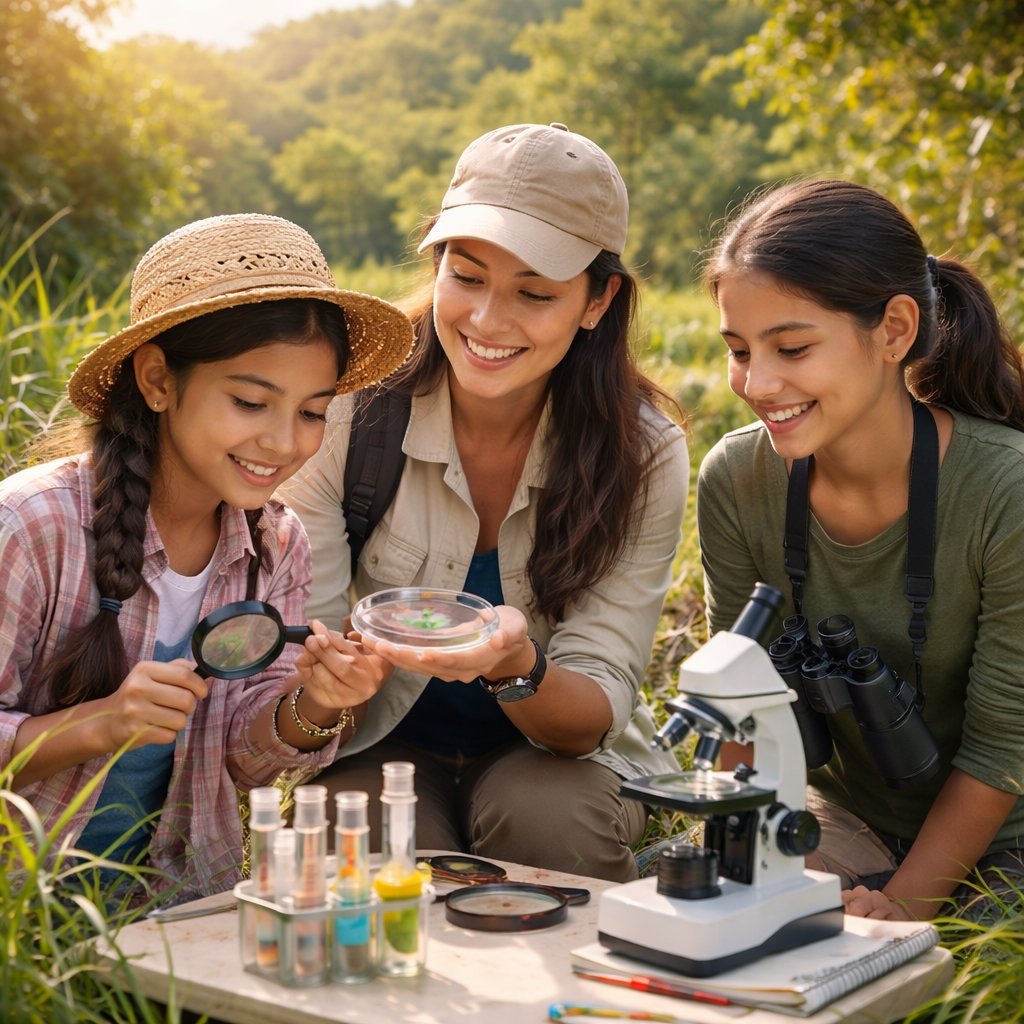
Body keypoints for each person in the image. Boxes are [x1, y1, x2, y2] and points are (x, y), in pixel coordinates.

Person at [279, 122, 689, 882]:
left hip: (551, 757)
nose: (488, 322)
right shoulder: (347, 406)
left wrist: (514, 665)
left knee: (549, 825)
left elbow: (594, 707)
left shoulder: (646, 451)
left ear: (599, 301)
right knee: (366, 845)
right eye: (465, 277)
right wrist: (327, 686)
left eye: (534, 293)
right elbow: (306, 671)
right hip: (379, 739)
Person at [0, 213, 414, 904]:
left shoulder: (277, 545)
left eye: (313, 412)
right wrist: (95, 725)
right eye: (251, 401)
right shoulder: (32, 529)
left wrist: (315, 701)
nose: (285, 443)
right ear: (158, 380)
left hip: (177, 909)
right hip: (25, 924)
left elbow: (242, 763)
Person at [697, 178, 1024, 920]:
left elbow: (1004, 749)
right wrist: (752, 851)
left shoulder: (1007, 492)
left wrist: (903, 908)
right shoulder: (735, 479)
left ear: (895, 331)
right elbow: (743, 706)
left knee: (950, 978)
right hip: (844, 820)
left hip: (1004, 837)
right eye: (739, 350)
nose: (757, 381)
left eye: (792, 347)